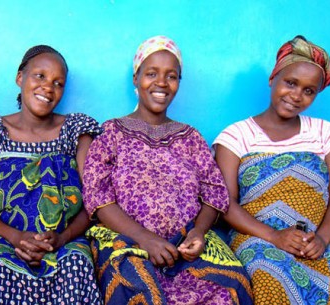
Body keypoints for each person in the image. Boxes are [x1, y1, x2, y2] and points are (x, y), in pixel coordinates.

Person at [213, 35, 330, 305]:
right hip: (257, 239)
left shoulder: (325, 134)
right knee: (269, 275)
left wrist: (322, 238)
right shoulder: (236, 136)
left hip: (313, 241)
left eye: (309, 91)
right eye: (290, 83)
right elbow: (225, 203)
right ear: (273, 78)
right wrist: (275, 236)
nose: (296, 95)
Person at [82, 35, 252, 305]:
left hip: (188, 243)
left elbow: (214, 192)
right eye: (152, 73)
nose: (161, 83)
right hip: (127, 241)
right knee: (135, 290)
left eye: (171, 76)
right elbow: (97, 196)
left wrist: (199, 232)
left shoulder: (190, 136)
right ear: (136, 79)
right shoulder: (111, 132)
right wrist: (143, 238)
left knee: (233, 286)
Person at [0, 45, 103, 305]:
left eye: (58, 83)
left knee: (77, 266)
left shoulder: (76, 130)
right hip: (4, 237)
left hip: (66, 239)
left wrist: (63, 238)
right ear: (20, 78)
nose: (48, 87)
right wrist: (16, 237)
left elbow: (94, 201)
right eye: (39, 76)